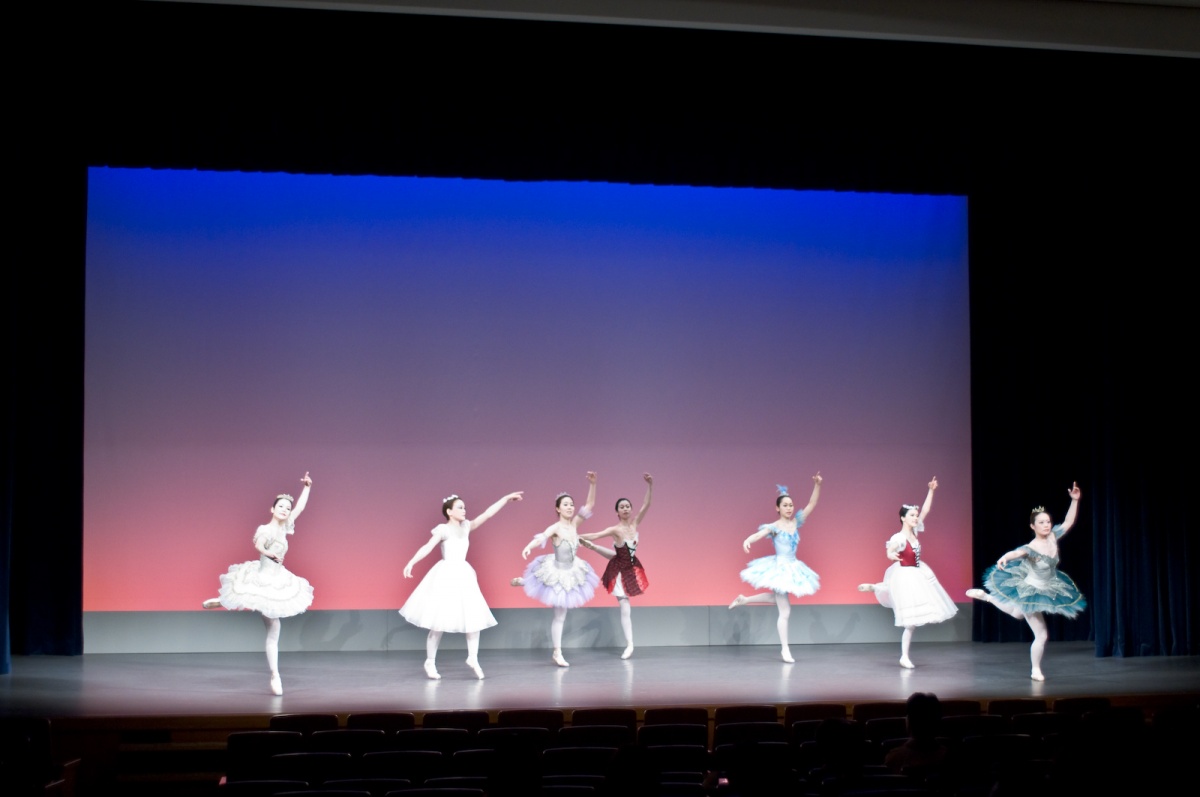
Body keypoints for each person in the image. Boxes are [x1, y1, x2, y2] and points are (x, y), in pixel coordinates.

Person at [202, 472, 315, 695]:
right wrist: (268, 553)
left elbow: (300, 508)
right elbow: (259, 546)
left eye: (287, 508)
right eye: (281, 506)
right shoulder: (266, 529)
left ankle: (274, 675)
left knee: (273, 629)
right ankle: (275, 675)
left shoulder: (285, 526)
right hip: (262, 579)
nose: (285, 510)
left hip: (278, 579)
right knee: (268, 621)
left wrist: (307, 488)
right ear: (272, 509)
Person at [400, 490, 524, 680]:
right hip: (446, 576)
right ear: (449, 511)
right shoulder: (443, 529)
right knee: (438, 622)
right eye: (460, 507)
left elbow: (488, 514)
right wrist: (412, 562)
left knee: (473, 617)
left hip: (464, 575)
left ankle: (473, 658)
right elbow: (428, 547)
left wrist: (505, 499)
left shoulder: (466, 526)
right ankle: (430, 662)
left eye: (464, 507)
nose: (464, 510)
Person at [967, 482, 1085, 681]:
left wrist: (1074, 500)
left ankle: (986, 597)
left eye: (1048, 521)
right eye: (1041, 522)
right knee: (1042, 635)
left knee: (1017, 614)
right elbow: (1017, 553)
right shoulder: (1032, 546)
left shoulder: (1053, 536)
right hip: (1031, 590)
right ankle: (1035, 669)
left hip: (1048, 585)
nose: (1046, 525)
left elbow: (1068, 522)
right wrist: (1005, 557)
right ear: (1033, 526)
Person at [858, 477, 958, 668]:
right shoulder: (899, 537)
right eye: (912, 515)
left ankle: (877, 587)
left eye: (915, 515)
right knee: (909, 623)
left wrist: (931, 490)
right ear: (903, 518)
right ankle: (904, 656)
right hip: (905, 575)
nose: (915, 518)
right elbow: (891, 548)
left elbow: (926, 510)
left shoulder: (915, 532)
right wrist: (890, 554)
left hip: (918, 572)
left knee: (912, 622)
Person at [728, 473, 822, 663]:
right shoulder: (774, 526)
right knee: (785, 611)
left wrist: (817, 485)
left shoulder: (796, 522)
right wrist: (747, 540)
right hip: (780, 568)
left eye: (791, 505)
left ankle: (745, 599)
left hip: (793, 566)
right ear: (777, 508)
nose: (789, 508)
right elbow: (759, 534)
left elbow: (812, 504)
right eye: (785, 505)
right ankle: (785, 649)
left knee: (778, 600)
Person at [511, 472, 599, 667]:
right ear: (558, 508)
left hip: (573, 571)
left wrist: (593, 484)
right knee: (559, 615)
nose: (570, 507)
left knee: (562, 614)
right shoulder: (556, 527)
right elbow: (542, 537)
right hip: (557, 571)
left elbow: (590, 505)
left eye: (571, 504)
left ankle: (526, 581)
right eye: (565, 504)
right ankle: (557, 653)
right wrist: (529, 546)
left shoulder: (575, 524)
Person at [579, 472, 653, 659]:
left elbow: (646, 505)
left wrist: (650, 485)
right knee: (625, 606)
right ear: (617, 512)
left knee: (626, 604)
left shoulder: (635, 524)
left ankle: (630, 644)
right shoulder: (615, 529)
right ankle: (630, 645)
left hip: (631, 566)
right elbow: (595, 534)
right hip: (620, 569)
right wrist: (574, 536)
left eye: (628, 506)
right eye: (622, 507)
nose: (626, 509)